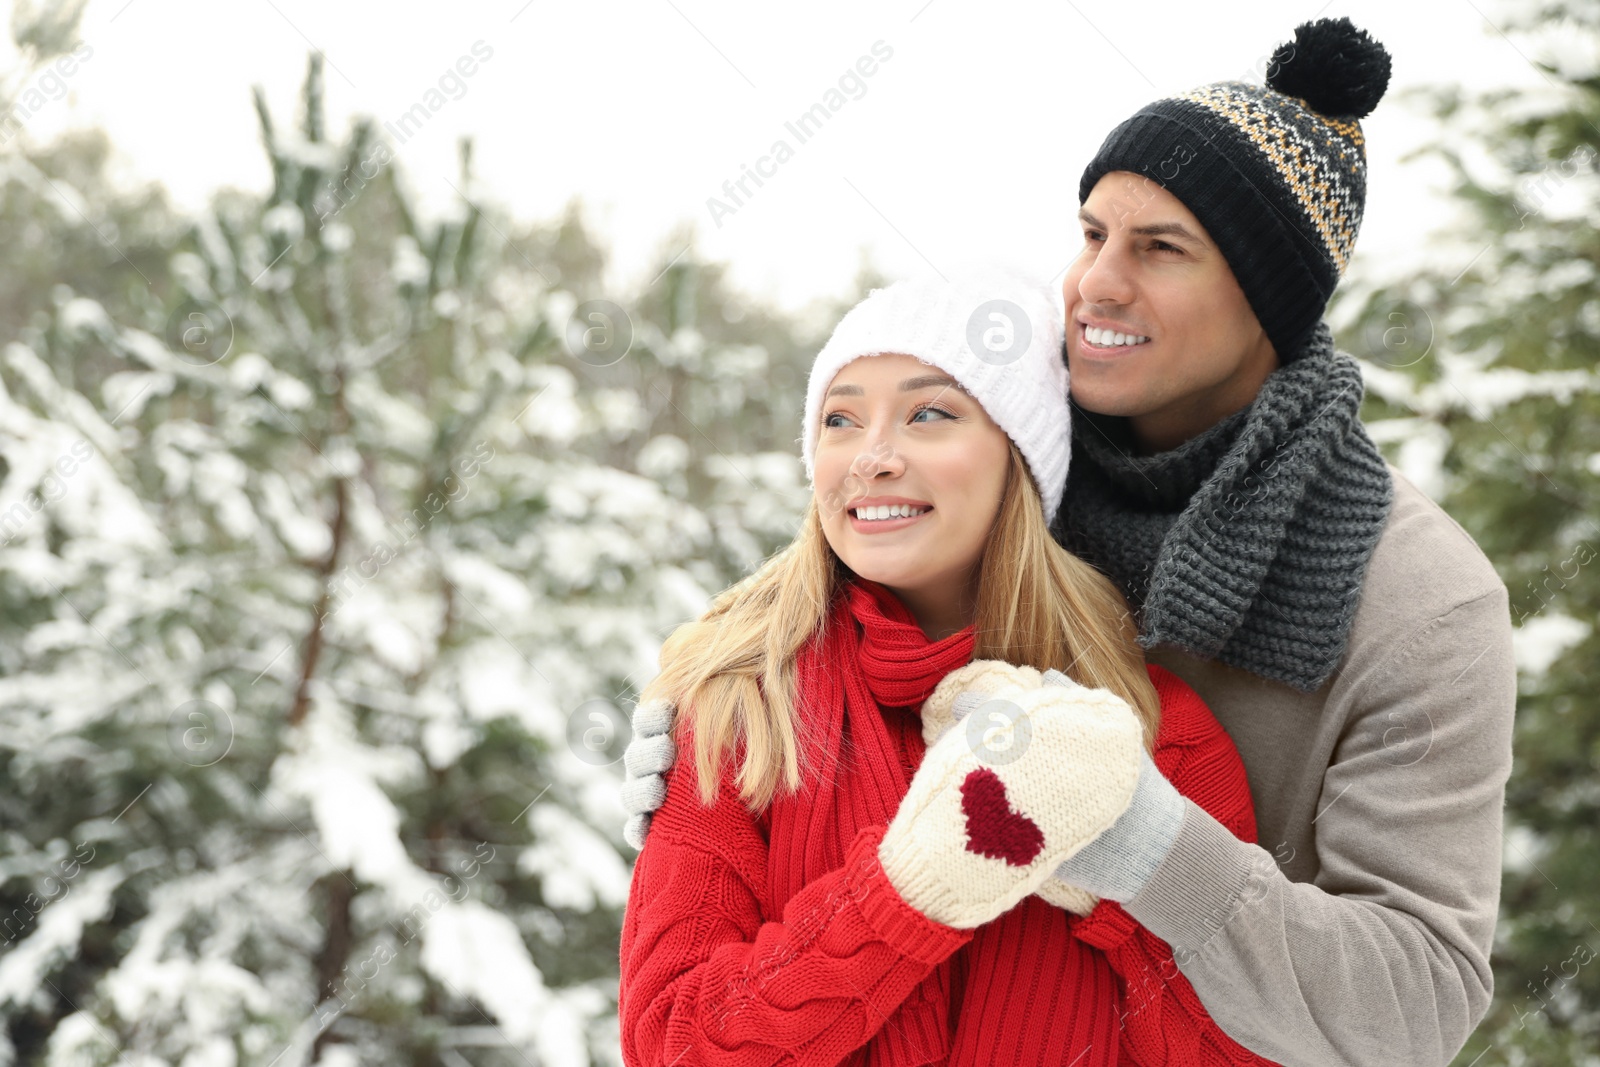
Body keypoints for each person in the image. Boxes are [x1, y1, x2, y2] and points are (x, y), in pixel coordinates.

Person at [623, 16, 1517, 1067]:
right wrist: (717, 725)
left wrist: (1145, 843)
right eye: (1091, 233)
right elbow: (844, 541)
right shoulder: (1009, 434)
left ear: (1270, 302)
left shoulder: (1416, 598)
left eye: (1161, 248)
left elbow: (1414, 1006)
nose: (1095, 284)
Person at [618, 270, 1275, 1066]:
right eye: (841, 419)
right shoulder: (740, 710)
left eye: (930, 412)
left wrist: (1123, 883)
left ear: (1018, 458)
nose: (873, 457)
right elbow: (671, 1043)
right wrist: (908, 889)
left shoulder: (1151, 732)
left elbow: (1241, 1050)